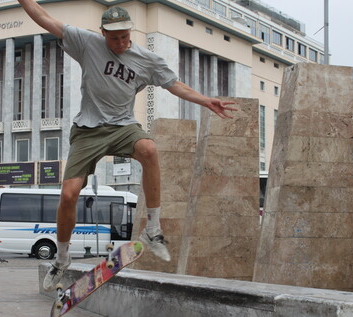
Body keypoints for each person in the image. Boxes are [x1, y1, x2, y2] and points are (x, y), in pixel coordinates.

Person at [17, 0, 237, 291]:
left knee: (149, 149)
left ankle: (153, 228)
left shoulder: (147, 59)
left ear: (130, 32)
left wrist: (205, 100)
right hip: (87, 130)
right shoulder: (87, 42)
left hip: (122, 126)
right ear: (103, 33)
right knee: (69, 195)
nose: (120, 42)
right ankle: (63, 258)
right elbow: (45, 18)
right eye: (113, 38)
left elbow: (175, 84)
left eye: (124, 37)